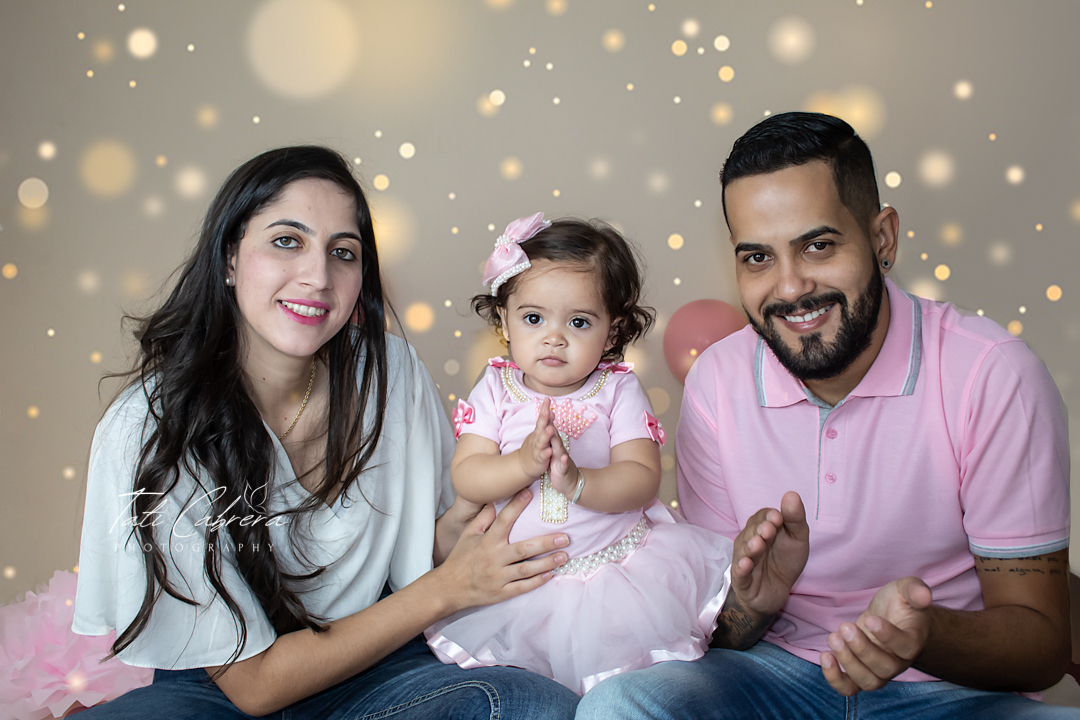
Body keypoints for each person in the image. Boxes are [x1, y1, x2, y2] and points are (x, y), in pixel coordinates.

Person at [576, 112, 1074, 718]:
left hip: (953, 694)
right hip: (772, 677)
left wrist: (923, 634)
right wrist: (754, 603)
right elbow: (719, 630)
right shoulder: (717, 381)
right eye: (757, 257)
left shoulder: (992, 374)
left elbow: (1042, 647)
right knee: (620, 705)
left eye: (817, 245)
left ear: (883, 238)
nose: (789, 288)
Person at [71, 146, 581, 719]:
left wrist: (463, 526)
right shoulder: (149, 428)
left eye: (343, 252)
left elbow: (421, 558)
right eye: (287, 241)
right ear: (230, 258)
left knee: (530, 706)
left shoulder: (391, 373)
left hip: (379, 666)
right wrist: (447, 589)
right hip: (218, 687)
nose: (317, 277)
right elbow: (255, 687)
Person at [424, 214, 734, 694]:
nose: (555, 337)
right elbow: (467, 475)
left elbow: (641, 478)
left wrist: (578, 482)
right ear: (504, 321)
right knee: (525, 691)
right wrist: (521, 464)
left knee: (621, 686)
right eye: (534, 318)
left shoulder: (617, 389)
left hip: (612, 574)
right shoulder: (496, 388)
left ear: (611, 333)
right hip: (518, 579)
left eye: (579, 322)